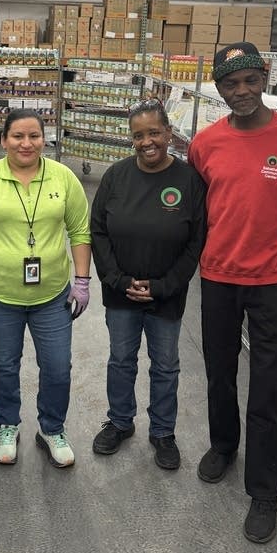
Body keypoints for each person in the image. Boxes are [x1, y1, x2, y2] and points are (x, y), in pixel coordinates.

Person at [187, 41, 277, 544]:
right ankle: (223, 446)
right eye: (229, 83)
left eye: (249, 80)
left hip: (272, 282)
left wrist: (268, 248)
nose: (240, 91)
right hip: (218, 277)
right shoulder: (205, 143)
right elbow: (201, 212)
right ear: (219, 88)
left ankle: (264, 491)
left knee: (267, 387)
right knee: (219, 372)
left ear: (264, 78)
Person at [0, 109, 91, 468]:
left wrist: (83, 281)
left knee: (57, 367)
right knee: (4, 363)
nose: (27, 144)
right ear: (3, 140)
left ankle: (52, 429)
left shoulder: (63, 179)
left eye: (34, 136)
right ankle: (7, 425)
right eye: (17, 137)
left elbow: (79, 231)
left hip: (52, 294)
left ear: (45, 138)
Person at [90, 99, 206, 469]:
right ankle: (120, 422)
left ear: (169, 133)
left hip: (166, 296)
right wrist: (118, 280)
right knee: (121, 360)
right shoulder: (116, 177)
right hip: (120, 292)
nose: (147, 142)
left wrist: (163, 286)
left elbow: (195, 242)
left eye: (154, 132)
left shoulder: (189, 181)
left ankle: (162, 432)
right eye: (138, 135)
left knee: (166, 365)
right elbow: (98, 232)